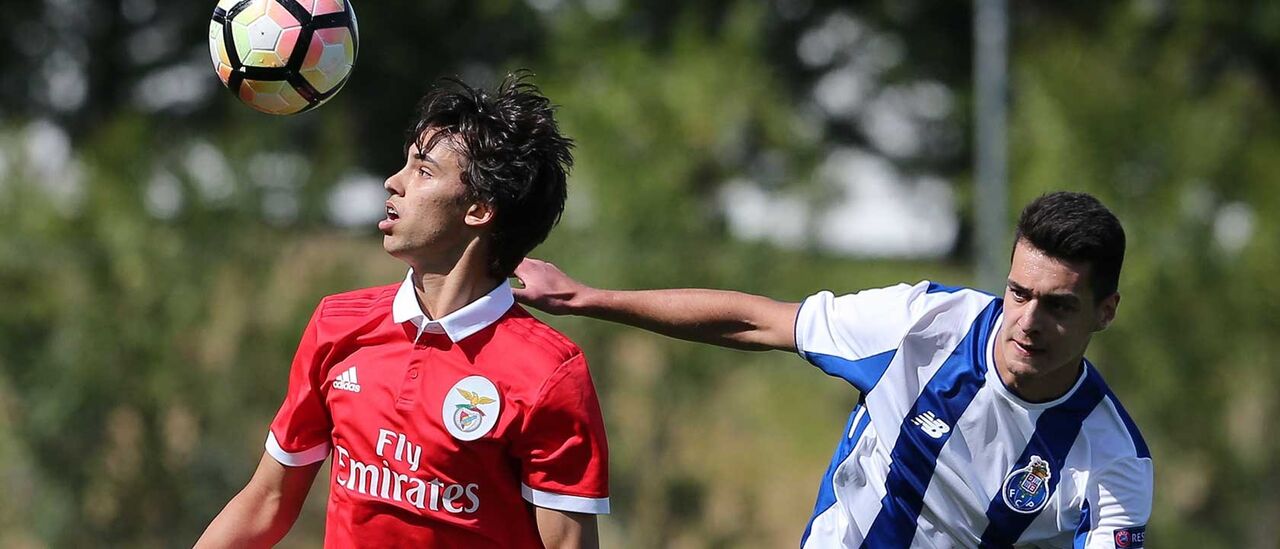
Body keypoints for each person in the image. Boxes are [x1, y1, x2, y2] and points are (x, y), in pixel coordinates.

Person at [514, 191, 1151, 548]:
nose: (1029, 322)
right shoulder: (925, 325)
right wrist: (585, 299)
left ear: (1106, 311)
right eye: (1018, 293)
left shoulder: (1113, 461)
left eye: (1059, 306)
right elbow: (757, 321)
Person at [197, 74, 610, 548]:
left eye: (424, 170)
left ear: (478, 209)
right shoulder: (338, 324)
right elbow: (268, 501)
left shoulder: (548, 373)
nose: (394, 182)